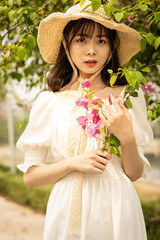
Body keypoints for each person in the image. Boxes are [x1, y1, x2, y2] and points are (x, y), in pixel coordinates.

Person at [16, 1, 154, 239]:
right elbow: (31, 177)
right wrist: (72, 163)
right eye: (81, 40)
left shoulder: (127, 96)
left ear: (111, 48)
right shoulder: (49, 102)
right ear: (66, 46)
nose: (91, 50)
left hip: (117, 206)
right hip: (66, 205)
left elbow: (133, 172)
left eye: (101, 41)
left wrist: (127, 137)